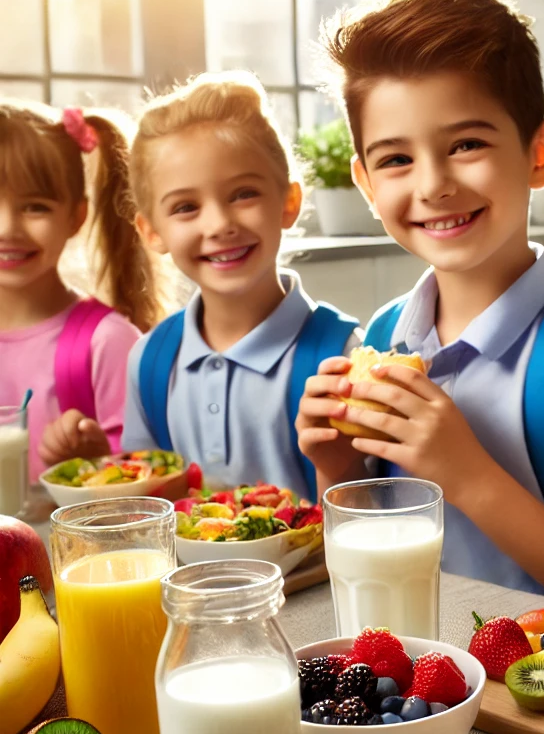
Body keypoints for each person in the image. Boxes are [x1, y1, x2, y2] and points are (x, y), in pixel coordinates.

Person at [295, 0, 544, 598]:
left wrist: (464, 474)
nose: (433, 184)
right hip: (411, 680)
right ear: (365, 184)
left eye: (466, 145)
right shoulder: (379, 338)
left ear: (540, 153)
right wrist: (337, 465)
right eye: (395, 160)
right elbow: (369, 552)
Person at [120, 72, 360, 499]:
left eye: (243, 194)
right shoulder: (150, 361)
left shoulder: (342, 357)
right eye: (186, 207)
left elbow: (375, 518)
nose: (219, 225)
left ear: (289, 202)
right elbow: (145, 506)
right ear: (151, 231)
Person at [0, 100, 160, 482]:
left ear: (76, 216)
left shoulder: (107, 342)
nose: (8, 228)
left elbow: (147, 489)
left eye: (35, 207)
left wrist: (98, 458)